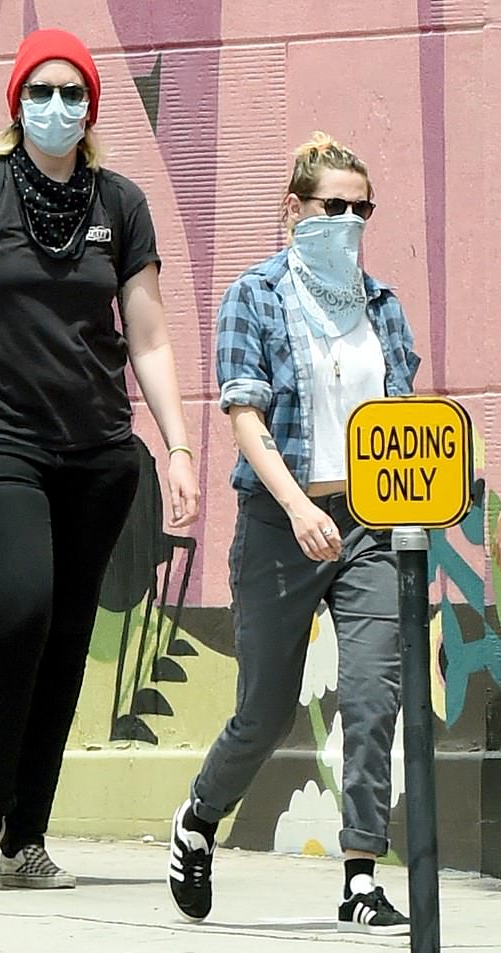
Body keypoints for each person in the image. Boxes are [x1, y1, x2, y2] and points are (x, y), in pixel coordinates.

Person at [0, 28, 200, 890]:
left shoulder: (120, 204)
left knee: (65, 639)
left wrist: (178, 446)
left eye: (73, 94)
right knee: (19, 607)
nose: (57, 107)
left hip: (97, 454)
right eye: (42, 91)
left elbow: (149, 336)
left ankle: (26, 838)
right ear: (17, 101)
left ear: (91, 108)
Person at [167, 132, 419, 935]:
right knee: (266, 711)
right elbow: (244, 414)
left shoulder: (382, 305)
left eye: (361, 209)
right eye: (332, 206)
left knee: (374, 698)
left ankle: (360, 877)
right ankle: (199, 816)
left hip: (369, 525)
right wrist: (299, 507)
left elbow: (402, 422)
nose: (347, 222)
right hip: (281, 523)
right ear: (293, 209)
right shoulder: (256, 295)